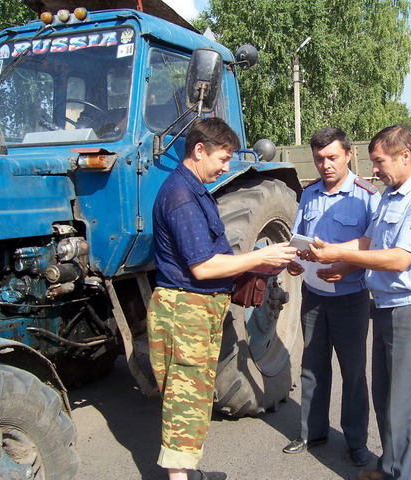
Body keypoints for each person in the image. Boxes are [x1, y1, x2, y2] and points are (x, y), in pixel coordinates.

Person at [147, 117, 297, 480]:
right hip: (186, 312)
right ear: (199, 151)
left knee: (194, 397)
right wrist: (262, 257)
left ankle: (186, 473)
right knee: (185, 399)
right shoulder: (182, 196)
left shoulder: (195, 190)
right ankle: (180, 478)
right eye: (223, 159)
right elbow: (203, 266)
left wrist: (264, 269)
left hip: (195, 311)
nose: (227, 168)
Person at [308, 125, 411, 480]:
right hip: (386, 305)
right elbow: (369, 243)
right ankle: (388, 468)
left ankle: (401, 474)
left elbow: (401, 258)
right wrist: (341, 263)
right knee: (385, 397)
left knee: (404, 403)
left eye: (379, 161)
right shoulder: (390, 194)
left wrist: (337, 251)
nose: (375, 170)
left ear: (405, 156)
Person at [282, 127, 381, 466]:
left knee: (353, 372)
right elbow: (300, 237)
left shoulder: (367, 195)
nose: (325, 165)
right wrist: (295, 263)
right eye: (319, 159)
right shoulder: (309, 194)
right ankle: (313, 431)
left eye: (332, 157)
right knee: (312, 365)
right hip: (313, 295)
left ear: (349, 155)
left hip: (350, 297)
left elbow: (376, 247)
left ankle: (356, 441)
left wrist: (348, 269)